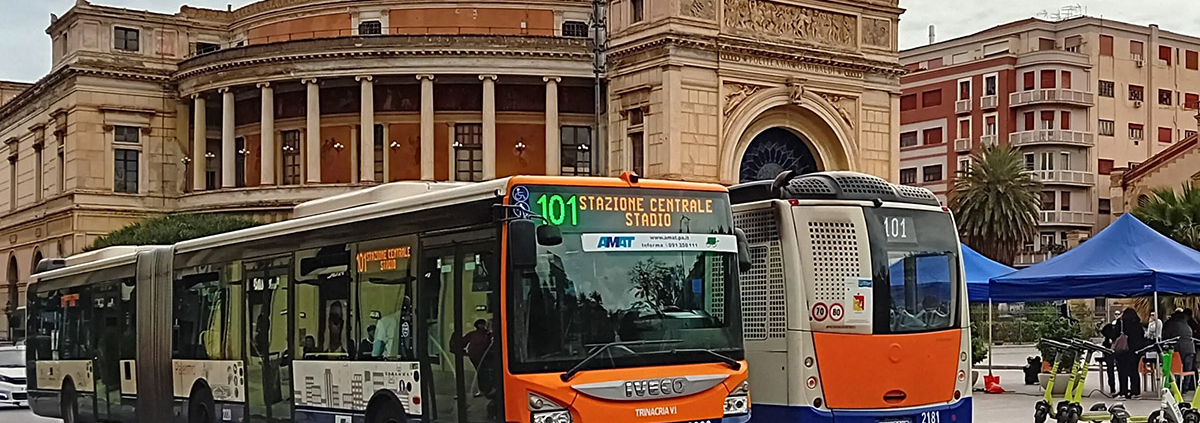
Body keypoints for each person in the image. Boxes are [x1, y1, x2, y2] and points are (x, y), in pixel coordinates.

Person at [1116, 308, 1148, 399]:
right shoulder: (1138, 325)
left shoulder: (1122, 323)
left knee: (1122, 372)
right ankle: (1135, 392)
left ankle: (1123, 392)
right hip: (1135, 351)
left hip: (1123, 351)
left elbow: (1114, 333)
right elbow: (1142, 337)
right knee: (1134, 371)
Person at [1164, 309, 1195, 392]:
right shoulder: (1187, 323)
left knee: (1176, 369)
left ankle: (1176, 386)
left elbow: (1166, 336)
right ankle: (1185, 387)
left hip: (1178, 349)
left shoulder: (1171, 324)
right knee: (1188, 369)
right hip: (1190, 348)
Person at [1100, 310, 1122, 394]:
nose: (1117, 315)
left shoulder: (1120, 325)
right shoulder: (1110, 326)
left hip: (1117, 350)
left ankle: (1119, 388)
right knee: (1110, 369)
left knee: (1119, 369)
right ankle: (1112, 387)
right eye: (1115, 314)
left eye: (1118, 314)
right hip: (1109, 350)